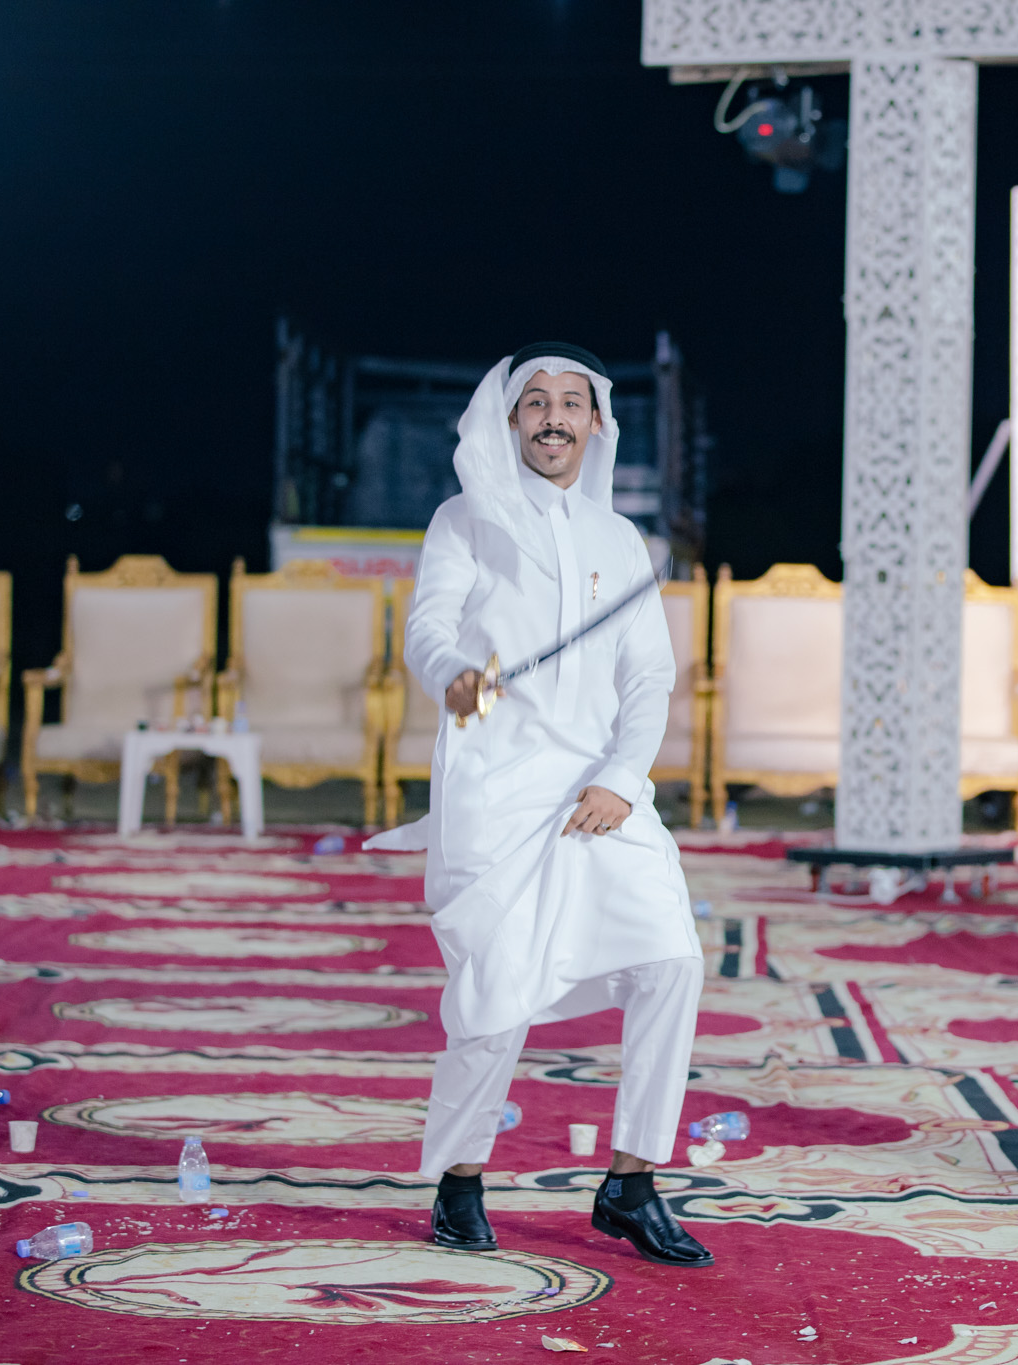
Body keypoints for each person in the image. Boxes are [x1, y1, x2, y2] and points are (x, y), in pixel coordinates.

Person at [368, 340, 713, 1269]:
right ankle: (460, 1180)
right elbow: (428, 630)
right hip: (499, 789)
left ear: (596, 422)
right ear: (510, 418)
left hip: (603, 790)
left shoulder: (621, 540)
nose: (554, 417)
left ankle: (633, 1182)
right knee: (497, 995)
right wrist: (453, 675)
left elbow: (648, 676)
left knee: (672, 962)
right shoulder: (464, 520)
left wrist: (622, 778)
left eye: (571, 402)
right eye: (536, 402)